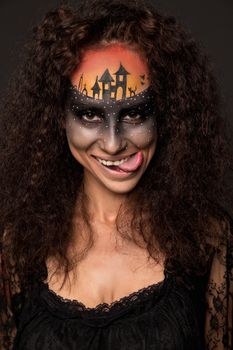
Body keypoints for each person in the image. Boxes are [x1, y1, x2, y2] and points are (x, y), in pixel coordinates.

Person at [0, 0, 232, 349]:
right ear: (56, 118)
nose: (112, 143)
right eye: (90, 115)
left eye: (135, 114)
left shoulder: (208, 239)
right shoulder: (18, 244)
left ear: (167, 113)